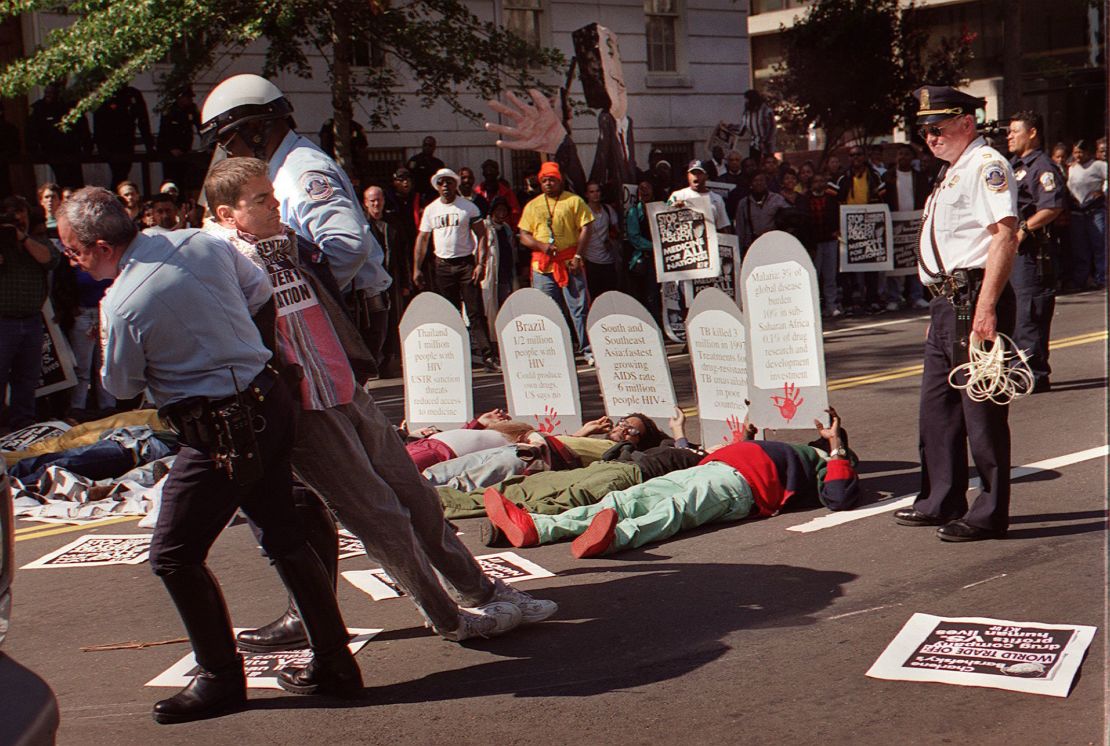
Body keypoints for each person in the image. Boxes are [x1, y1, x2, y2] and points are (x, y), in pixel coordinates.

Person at [202, 158, 549, 655]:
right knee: (379, 515)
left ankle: (482, 590)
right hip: (305, 408)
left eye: (272, 196)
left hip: (343, 386)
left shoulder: (282, 243)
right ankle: (447, 616)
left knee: (416, 493)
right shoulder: (223, 260)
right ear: (226, 212)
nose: (275, 206)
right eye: (260, 200)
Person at [57, 187, 362, 723]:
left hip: (219, 425)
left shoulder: (123, 303)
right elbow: (261, 292)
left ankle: (221, 677)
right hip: (266, 398)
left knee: (173, 554)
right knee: (283, 535)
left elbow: (121, 385)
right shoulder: (201, 242)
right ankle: (335, 663)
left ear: (100, 245)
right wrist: (248, 353)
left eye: (72, 249)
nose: (72, 259)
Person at [200, 74, 391, 380]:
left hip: (346, 311)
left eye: (228, 142)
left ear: (255, 129)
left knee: (337, 419)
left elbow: (348, 246)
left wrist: (306, 299)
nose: (228, 153)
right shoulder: (281, 167)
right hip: (338, 311)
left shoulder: (301, 171)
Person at [893, 85, 1019, 542]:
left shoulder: (987, 167)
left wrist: (985, 308)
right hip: (948, 302)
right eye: (924, 130)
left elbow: (1005, 236)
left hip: (973, 298)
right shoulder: (952, 172)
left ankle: (989, 513)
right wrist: (939, 305)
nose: (930, 137)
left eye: (938, 127)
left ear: (967, 122)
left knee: (981, 411)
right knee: (938, 410)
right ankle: (940, 498)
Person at [485, 408, 858, 557]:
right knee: (630, 497)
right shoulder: (781, 448)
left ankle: (614, 538)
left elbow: (839, 498)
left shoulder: (825, 462)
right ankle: (540, 528)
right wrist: (747, 434)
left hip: (738, 488)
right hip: (707, 469)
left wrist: (837, 446)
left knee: (674, 510)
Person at [412, 168, 500, 372]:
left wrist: (480, 264)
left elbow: (482, 237)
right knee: (449, 312)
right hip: (442, 265)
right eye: (441, 182)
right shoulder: (431, 210)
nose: (445, 186)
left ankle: (488, 356)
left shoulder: (467, 207)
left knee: (475, 311)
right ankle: (454, 356)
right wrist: (416, 268)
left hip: (465, 264)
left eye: (449, 182)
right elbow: (422, 239)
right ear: (437, 186)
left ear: (455, 184)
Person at [1006, 112, 1066, 393]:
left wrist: (1023, 230)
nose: (1009, 136)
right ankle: (1015, 371)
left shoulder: (1042, 167)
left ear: (1032, 133)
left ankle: (1032, 374)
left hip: (1032, 253)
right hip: (1011, 253)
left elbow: (1052, 206)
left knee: (1029, 312)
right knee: (1013, 311)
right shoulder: (1013, 166)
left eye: (1014, 131)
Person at [517, 161, 595, 363]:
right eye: (544, 180)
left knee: (579, 309)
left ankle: (587, 350)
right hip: (543, 266)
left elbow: (586, 227)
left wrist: (578, 255)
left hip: (569, 262)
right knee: (550, 310)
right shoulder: (532, 205)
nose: (548, 183)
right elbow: (523, 235)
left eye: (552, 179)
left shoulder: (574, 201)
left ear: (559, 181)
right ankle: (558, 351)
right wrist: (541, 246)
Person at [0, 197, 61, 430]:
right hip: (3, 321)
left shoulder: (37, 241)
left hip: (32, 320)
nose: (15, 217)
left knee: (27, 380)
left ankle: (22, 427)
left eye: (19, 211)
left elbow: (51, 259)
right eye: (7, 212)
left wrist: (22, 238)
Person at [363, 185, 409, 376]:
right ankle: (374, 360)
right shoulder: (362, 227)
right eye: (372, 200)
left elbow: (402, 256)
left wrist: (406, 282)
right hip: (371, 283)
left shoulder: (392, 225)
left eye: (379, 199)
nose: (376, 204)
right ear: (365, 203)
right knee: (374, 324)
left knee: (393, 321)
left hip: (392, 281)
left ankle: (389, 360)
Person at [883, 143, 932, 311]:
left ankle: (916, 296)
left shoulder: (920, 177)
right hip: (894, 222)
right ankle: (894, 297)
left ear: (912, 158)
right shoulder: (888, 177)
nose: (903, 157)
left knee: (914, 258)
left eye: (906, 154)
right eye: (900, 154)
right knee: (895, 261)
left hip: (914, 223)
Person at [92, 85, 154, 188]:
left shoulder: (132, 94)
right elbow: (98, 123)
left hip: (127, 141)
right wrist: (101, 146)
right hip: (110, 143)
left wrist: (149, 145)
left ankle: (118, 196)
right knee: (119, 174)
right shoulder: (104, 94)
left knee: (123, 173)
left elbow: (143, 121)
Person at [1065, 139, 1107, 290]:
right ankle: (1080, 279)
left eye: (1080, 152)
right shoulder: (1072, 168)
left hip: (1094, 210)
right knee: (1080, 248)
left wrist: (1102, 192)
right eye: (1075, 152)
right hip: (1077, 211)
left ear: (1088, 152)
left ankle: (1102, 278)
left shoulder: (1098, 166)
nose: (1078, 155)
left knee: (1099, 245)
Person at [625, 179, 661, 321]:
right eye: (641, 188)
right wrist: (656, 246)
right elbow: (634, 238)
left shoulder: (660, 208)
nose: (644, 191)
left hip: (661, 259)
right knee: (648, 293)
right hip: (646, 258)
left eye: (647, 188)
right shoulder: (634, 212)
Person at [581, 181, 622, 301]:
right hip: (591, 260)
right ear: (586, 194)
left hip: (609, 259)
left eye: (597, 191)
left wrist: (612, 239)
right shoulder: (582, 212)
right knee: (594, 296)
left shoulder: (608, 210)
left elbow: (617, 230)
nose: (595, 194)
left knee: (611, 294)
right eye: (591, 192)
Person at [668, 160, 733, 234]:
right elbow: (664, 221)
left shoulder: (717, 199)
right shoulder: (677, 196)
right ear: (688, 175)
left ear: (706, 176)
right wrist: (673, 209)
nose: (696, 176)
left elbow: (723, 225)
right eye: (693, 173)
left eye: (699, 173)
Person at [158, 87, 201, 191]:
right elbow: (164, 133)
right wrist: (171, 148)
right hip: (170, 153)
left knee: (184, 181)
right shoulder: (170, 111)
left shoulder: (192, 110)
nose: (191, 100)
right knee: (171, 181)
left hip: (184, 150)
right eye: (188, 97)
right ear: (180, 98)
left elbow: (201, 128)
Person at [734, 172, 787, 251]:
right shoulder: (744, 203)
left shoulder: (777, 199)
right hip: (751, 245)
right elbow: (740, 228)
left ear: (766, 183)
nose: (759, 183)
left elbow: (788, 217)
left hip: (772, 244)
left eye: (761, 180)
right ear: (751, 184)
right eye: (755, 180)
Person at [473, 159, 521, 228]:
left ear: (497, 173)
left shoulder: (507, 193)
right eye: (487, 174)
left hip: (503, 229)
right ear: (483, 174)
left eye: (492, 174)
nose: (489, 174)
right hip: (483, 230)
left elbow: (515, 213)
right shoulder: (477, 192)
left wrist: (512, 230)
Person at [739, 89, 776, 163]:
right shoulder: (747, 112)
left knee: (767, 165)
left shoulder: (766, 111)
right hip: (754, 144)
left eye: (747, 99)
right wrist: (728, 127)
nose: (746, 102)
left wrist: (765, 142)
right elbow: (742, 128)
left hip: (766, 146)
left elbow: (772, 128)